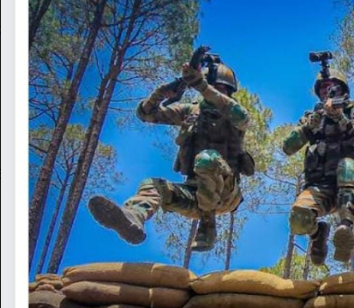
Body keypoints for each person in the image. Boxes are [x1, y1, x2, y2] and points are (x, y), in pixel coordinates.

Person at [88, 58, 254, 252]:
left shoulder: (234, 112)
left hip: (226, 194)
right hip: (194, 197)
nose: (217, 93)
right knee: (152, 185)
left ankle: (207, 228)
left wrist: (201, 85)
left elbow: (242, 118)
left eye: (222, 90)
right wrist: (162, 93)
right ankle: (134, 216)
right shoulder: (191, 111)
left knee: (207, 158)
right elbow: (146, 114)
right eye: (214, 87)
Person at [281, 68, 354, 265]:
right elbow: (287, 147)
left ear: (342, 90)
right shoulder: (313, 117)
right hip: (319, 187)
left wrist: (340, 118)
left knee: (347, 165)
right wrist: (307, 128)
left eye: (330, 87)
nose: (326, 91)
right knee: (298, 218)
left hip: (348, 184)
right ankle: (317, 234)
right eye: (322, 88)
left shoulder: (353, 111)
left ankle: (345, 228)